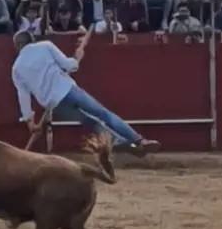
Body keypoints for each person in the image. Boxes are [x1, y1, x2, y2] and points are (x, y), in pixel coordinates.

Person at [11, 30, 159, 155]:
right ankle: (139, 141)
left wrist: (30, 122)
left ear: (18, 45)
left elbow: (23, 96)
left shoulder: (16, 68)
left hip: (54, 104)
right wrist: (77, 58)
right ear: (32, 40)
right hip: (69, 90)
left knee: (92, 124)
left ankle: (127, 146)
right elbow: (69, 66)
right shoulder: (45, 46)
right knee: (103, 114)